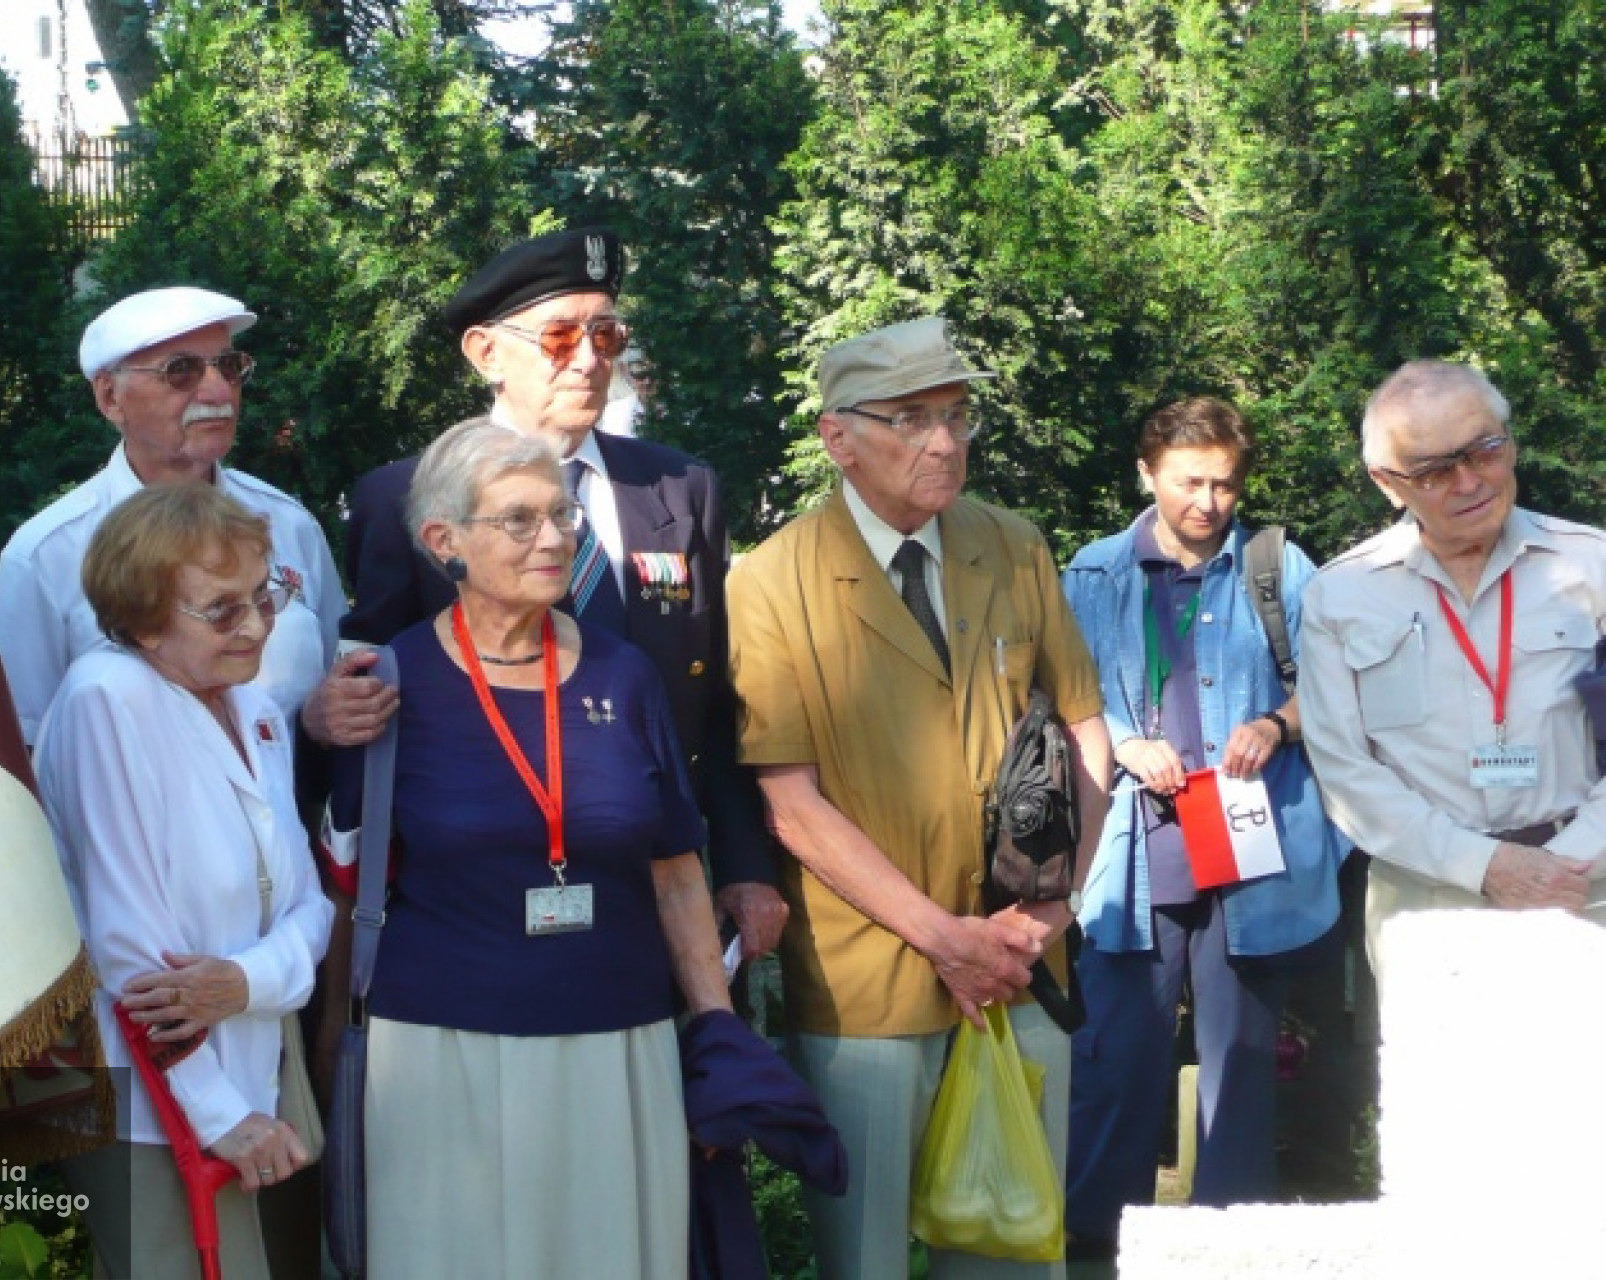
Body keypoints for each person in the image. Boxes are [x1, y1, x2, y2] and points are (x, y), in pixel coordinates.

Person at [727, 315, 1111, 1279]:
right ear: (837, 437)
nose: (944, 442)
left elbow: (1086, 735)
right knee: (866, 1256)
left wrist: (1049, 913)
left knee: (1015, 1245)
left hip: (1023, 962)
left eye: (956, 414)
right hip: (870, 980)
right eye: (910, 419)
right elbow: (790, 804)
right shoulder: (772, 582)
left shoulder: (1013, 545)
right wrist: (946, 939)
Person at [324, 418, 733, 1278]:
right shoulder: (390, 682)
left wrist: (720, 1032)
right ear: (445, 543)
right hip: (441, 1050)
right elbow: (344, 879)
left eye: (561, 516)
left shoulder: (625, 675)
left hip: (616, 1044)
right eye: (519, 520)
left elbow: (676, 872)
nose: (552, 539)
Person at [324, 227, 785, 957]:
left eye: (607, 335)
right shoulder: (406, 499)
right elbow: (368, 705)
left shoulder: (678, 486)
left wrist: (744, 865)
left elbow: (718, 703)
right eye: (561, 336)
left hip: (662, 884)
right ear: (486, 354)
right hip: (482, 898)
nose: (590, 360)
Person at [1058, 397, 1349, 1249]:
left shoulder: (1280, 567)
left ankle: (1231, 1252)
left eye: (1225, 483)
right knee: (1116, 1065)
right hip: (1133, 852)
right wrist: (1121, 742)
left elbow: (1333, 683)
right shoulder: (1094, 572)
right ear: (1146, 474)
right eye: (1190, 482)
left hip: (1249, 845)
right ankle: (1094, 1249)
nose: (1209, 502)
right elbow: (1063, 694)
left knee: (1243, 1069)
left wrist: (1278, 724)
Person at [35, 484, 332, 1280]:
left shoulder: (255, 706)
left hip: (256, 1068)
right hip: (151, 1101)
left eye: (262, 597)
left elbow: (309, 907)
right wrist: (219, 1115)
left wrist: (245, 983)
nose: (258, 625)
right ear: (139, 618)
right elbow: (130, 949)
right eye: (221, 609)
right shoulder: (110, 697)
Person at [1299, 360, 1606, 978]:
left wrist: (1569, 861)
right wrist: (1486, 866)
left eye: (1485, 450)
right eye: (1436, 470)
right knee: (1444, 1079)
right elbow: (1345, 772)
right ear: (1387, 482)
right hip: (1426, 909)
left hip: (1587, 889)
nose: (1470, 481)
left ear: (1511, 442)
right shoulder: (1342, 595)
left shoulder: (1593, 567)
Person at [0, 286, 347, 747]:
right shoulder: (47, 554)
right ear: (110, 398)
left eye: (230, 366)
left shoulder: (286, 520)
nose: (218, 390)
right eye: (181, 371)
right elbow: (26, 742)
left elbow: (334, 675)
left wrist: (319, 718)